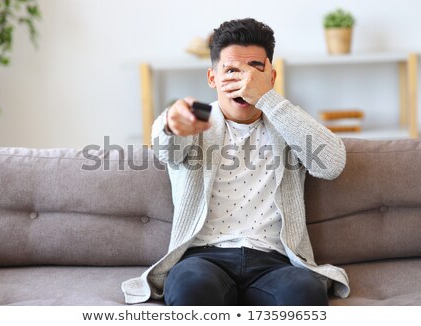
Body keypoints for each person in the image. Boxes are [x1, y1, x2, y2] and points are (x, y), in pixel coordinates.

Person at [122, 18, 350, 306]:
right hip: (204, 258)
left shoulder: (287, 123)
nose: (244, 81)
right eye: (231, 71)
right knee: (191, 289)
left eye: (255, 69)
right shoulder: (199, 120)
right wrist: (170, 122)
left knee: (305, 292)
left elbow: (331, 164)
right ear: (212, 78)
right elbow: (167, 147)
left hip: (276, 262)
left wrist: (268, 99)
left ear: (271, 76)